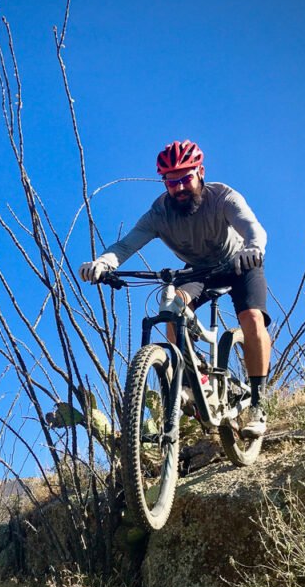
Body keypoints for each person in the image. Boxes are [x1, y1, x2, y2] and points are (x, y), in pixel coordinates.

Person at [79, 139, 271, 438]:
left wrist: (254, 247)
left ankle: (257, 405)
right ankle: (197, 378)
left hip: (238, 264)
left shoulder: (223, 197)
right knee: (172, 310)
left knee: (252, 319)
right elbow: (127, 244)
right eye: (171, 182)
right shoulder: (159, 214)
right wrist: (103, 263)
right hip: (198, 270)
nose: (179, 188)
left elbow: (251, 226)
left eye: (185, 178)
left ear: (201, 172)